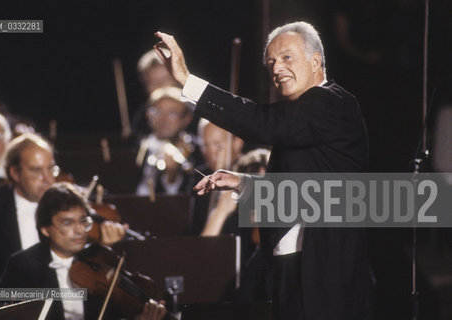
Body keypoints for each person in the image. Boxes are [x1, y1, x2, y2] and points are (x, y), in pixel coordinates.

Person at [155, 21, 373, 320]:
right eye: (270, 61)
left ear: (315, 60)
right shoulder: (301, 119)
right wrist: (242, 182)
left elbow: (262, 121)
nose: (276, 68)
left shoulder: (334, 103)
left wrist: (187, 80)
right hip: (291, 266)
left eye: (286, 57)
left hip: (325, 270)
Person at [0, 132, 126, 287]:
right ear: (15, 173)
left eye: (51, 169)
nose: (48, 179)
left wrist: (103, 246)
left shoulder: (65, 200)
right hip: (6, 302)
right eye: (36, 171)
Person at [0, 182, 166, 320]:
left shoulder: (101, 258)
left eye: (83, 221)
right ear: (45, 229)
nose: (80, 230)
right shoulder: (22, 265)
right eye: (67, 223)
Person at [135, 86, 200, 196]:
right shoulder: (135, 146)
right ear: (148, 115)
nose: (164, 120)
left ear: (186, 119)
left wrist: (172, 176)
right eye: (157, 112)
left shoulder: (196, 152)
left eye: (172, 114)